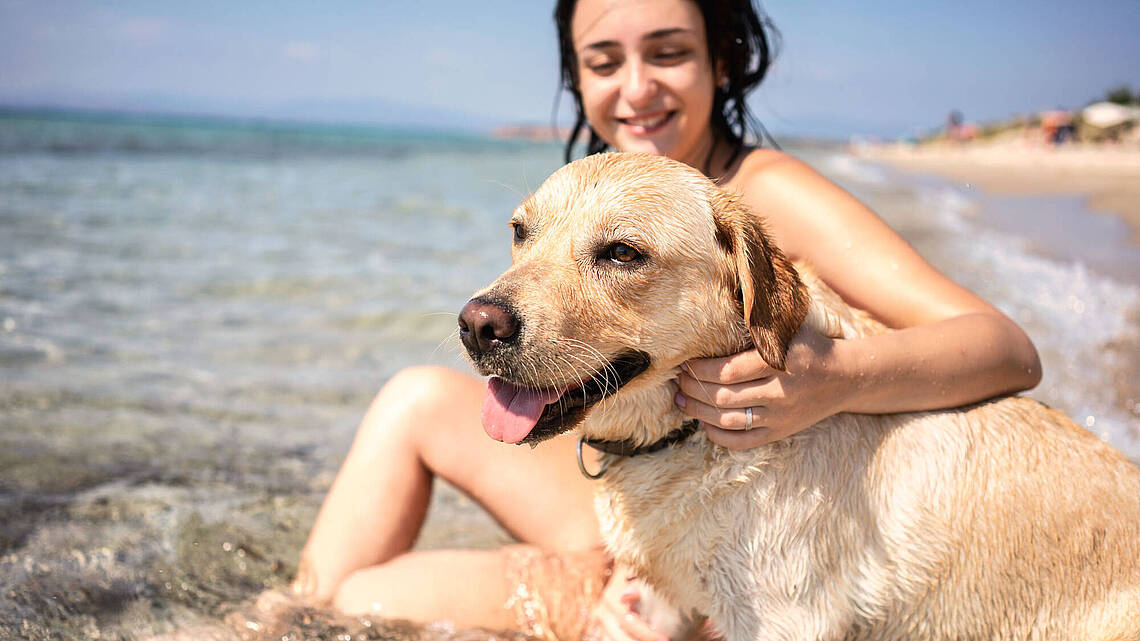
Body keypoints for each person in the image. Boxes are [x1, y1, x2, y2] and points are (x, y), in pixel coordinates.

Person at [292, 0, 1042, 639]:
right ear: (576, 77)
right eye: (603, 61)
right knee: (409, 401)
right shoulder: (588, 181)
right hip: (631, 465)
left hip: (727, 496)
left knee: (363, 600)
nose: (636, 87)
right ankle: (267, 616)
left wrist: (833, 377)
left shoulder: (765, 195)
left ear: (722, 60)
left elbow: (1007, 349)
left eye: (669, 52)